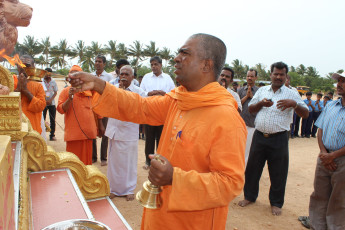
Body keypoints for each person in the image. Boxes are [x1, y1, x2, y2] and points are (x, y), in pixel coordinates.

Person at [69, 33, 246, 230]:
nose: (176, 58)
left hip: (193, 222)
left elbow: (230, 183)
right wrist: (100, 85)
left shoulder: (225, 116)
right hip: (160, 214)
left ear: (206, 65)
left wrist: (175, 178)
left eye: (184, 53)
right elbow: (141, 106)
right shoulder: (178, 100)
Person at [238, 61, 309, 216]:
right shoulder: (263, 91)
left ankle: (276, 203)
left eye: (281, 74)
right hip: (259, 136)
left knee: (278, 172)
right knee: (252, 169)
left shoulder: (292, 93)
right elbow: (250, 109)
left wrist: (294, 105)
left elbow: (306, 114)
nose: (278, 77)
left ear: (285, 76)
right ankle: (249, 196)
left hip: (279, 138)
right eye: (275, 74)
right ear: (270, 75)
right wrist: (261, 104)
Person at [106, 65, 159, 201]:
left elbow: (147, 102)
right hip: (114, 131)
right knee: (114, 163)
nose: (123, 76)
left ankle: (129, 189)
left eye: (126, 74)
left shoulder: (138, 92)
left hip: (129, 132)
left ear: (133, 77)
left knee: (129, 162)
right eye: (121, 74)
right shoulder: (113, 88)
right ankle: (114, 189)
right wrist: (119, 91)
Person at [307, 71, 345, 229]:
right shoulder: (330, 105)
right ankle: (317, 226)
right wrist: (324, 153)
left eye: (343, 81)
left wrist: (334, 155)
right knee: (319, 196)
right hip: (324, 157)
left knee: (339, 199)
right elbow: (320, 130)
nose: (339, 85)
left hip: (342, 161)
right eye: (339, 81)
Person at [140, 56, 175, 170]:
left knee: (161, 139)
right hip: (149, 111)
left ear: (161, 65)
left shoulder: (167, 78)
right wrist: (150, 93)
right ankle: (148, 162)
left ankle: (159, 163)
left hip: (163, 114)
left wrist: (163, 93)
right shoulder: (146, 77)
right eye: (152, 65)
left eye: (156, 64)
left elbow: (173, 93)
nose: (153, 67)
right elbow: (141, 92)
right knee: (149, 139)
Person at [57, 65, 97, 165]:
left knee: (86, 164)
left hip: (88, 134)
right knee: (73, 164)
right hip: (73, 135)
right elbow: (61, 110)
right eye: (72, 75)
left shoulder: (90, 91)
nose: (74, 78)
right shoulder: (65, 91)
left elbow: (97, 109)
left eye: (77, 75)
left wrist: (99, 125)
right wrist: (70, 98)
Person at [91, 54, 113, 166]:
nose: (97, 63)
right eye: (96, 61)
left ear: (104, 64)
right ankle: (93, 157)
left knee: (105, 133)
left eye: (100, 61)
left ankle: (103, 158)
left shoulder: (109, 78)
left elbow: (111, 93)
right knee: (92, 133)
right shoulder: (90, 76)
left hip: (105, 109)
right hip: (92, 108)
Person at [15, 54, 46, 134]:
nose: (23, 68)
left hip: (32, 130)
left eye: (27, 65)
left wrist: (26, 91)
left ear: (33, 67)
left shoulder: (38, 85)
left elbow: (40, 106)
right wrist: (18, 89)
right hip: (14, 128)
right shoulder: (11, 81)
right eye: (21, 64)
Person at [237, 69, 259, 164]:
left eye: (252, 76)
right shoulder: (240, 90)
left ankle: (245, 170)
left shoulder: (259, 91)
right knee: (238, 148)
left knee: (249, 149)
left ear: (256, 78)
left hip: (252, 125)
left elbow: (260, 106)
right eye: (248, 76)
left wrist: (252, 97)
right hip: (240, 124)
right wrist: (246, 97)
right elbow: (236, 105)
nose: (249, 78)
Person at [42, 67, 58, 141]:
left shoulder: (53, 82)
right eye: (46, 73)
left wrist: (50, 100)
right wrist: (44, 101)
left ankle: (52, 135)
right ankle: (42, 136)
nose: (48, 75)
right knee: (42, 119)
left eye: (49, 74)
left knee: (52, 120)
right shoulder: (41, 81)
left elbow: (55, 92)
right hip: (43, 103)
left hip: (52, 103)